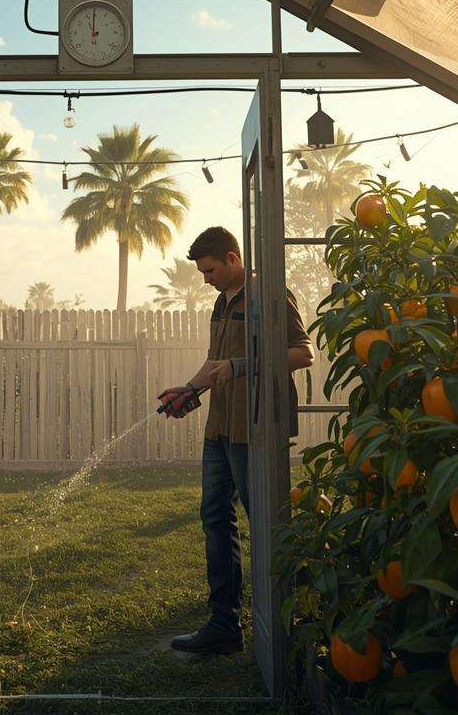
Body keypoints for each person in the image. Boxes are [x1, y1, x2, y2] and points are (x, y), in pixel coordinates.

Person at [157, 226, 312, 655]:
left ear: (231, 258)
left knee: (265, 524)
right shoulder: (220, 301)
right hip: (220, 427)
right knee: (215, 518)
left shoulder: (269, 295)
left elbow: (302, 352)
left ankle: (287, 624)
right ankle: (225, 625)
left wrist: (242, 366)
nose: (204, 278)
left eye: (209, 270)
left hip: (256, 428)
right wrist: (188, 390)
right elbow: (215, 362)